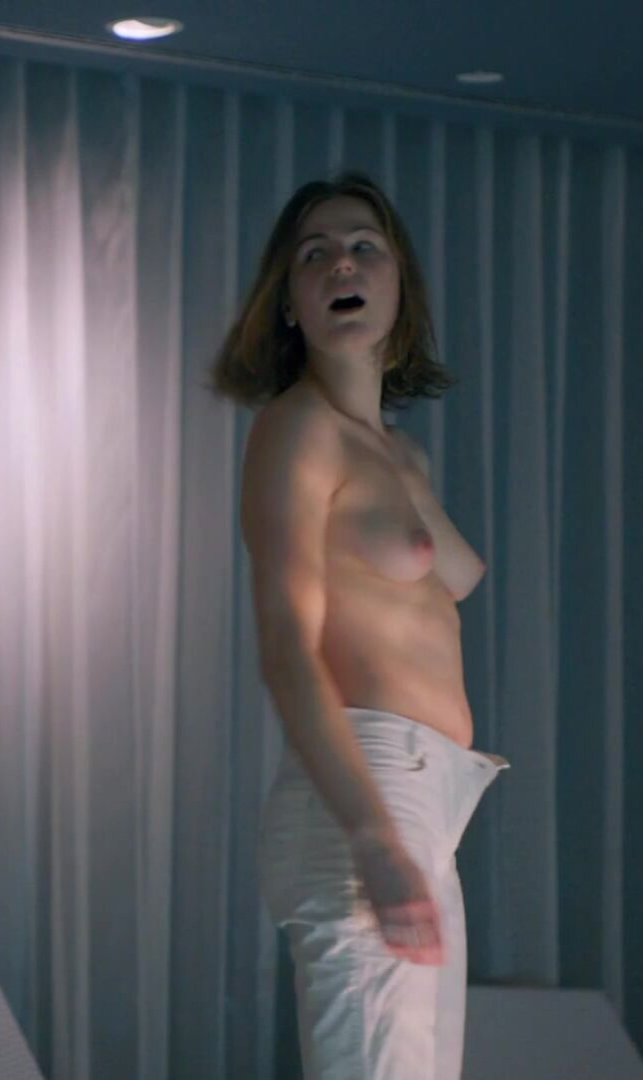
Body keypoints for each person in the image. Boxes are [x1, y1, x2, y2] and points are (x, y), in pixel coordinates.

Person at [210, 171, 511, 1080]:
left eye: (363, 247)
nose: (341, 263)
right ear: (290, 302)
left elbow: (462, 574)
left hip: (429, 801)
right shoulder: (295, 432)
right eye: (315, 254)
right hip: (365, 791)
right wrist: (373, 836)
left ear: (398, 284)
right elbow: (286, 649)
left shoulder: (396, 453)